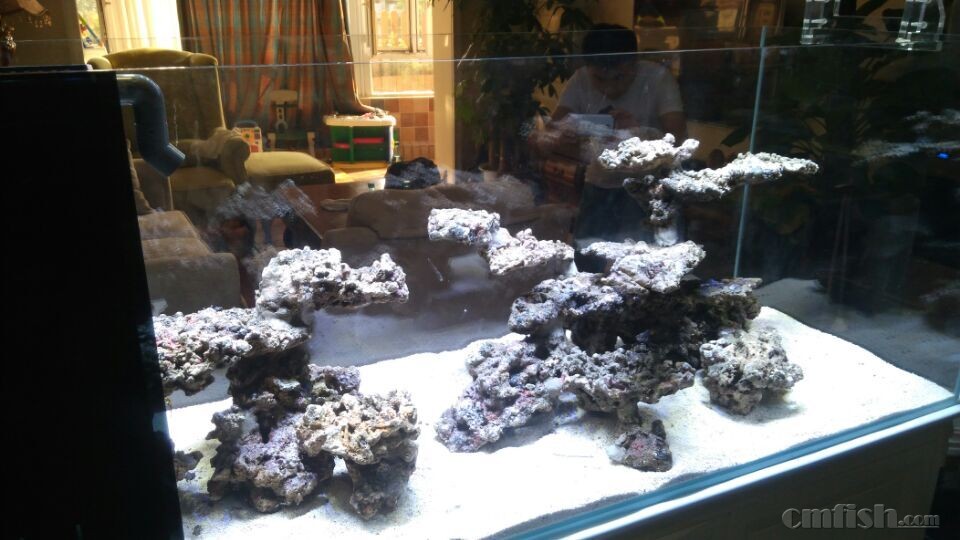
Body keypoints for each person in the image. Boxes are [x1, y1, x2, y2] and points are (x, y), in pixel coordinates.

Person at [534, 23, 687, 268]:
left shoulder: (658, 78)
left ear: (634, 65)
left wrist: (637, 133)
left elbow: (678, 140)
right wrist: (566, 133)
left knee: (641, 263)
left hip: (647, 187)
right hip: (599, 183)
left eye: (618, 77)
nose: (609, 88)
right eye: (599, 79)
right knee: (585, 259)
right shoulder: (580, 79)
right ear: (588, 68)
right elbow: (551, 134)